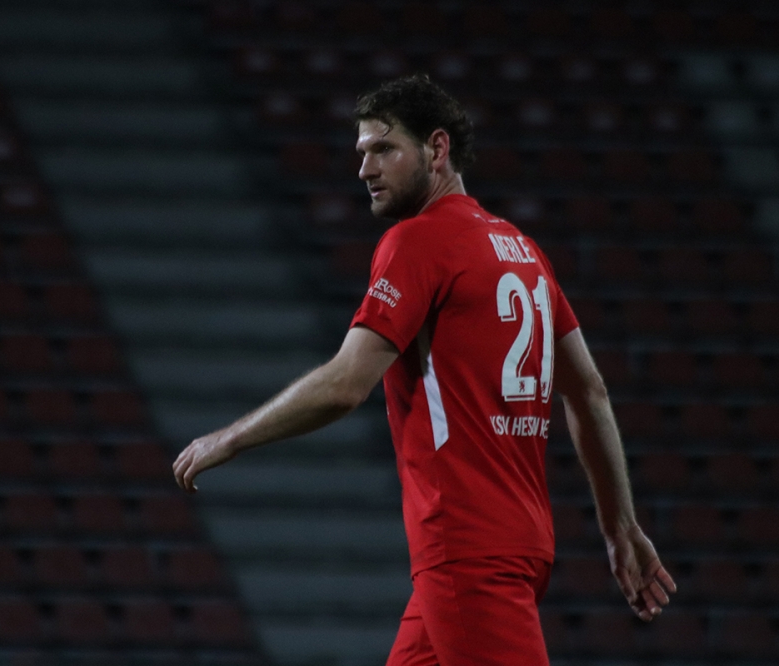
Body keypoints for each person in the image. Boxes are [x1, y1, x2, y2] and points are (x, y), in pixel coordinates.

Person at [172, 74, 675, 665]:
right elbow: (589, 392)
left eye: (384, 149)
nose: (365, 169)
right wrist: (620, 527)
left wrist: (229, 438)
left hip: (466, 547)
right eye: (362, 152)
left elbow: (346, 384)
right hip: (514, 541)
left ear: (437, 149)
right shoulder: (523, 250)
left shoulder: (417, 242)